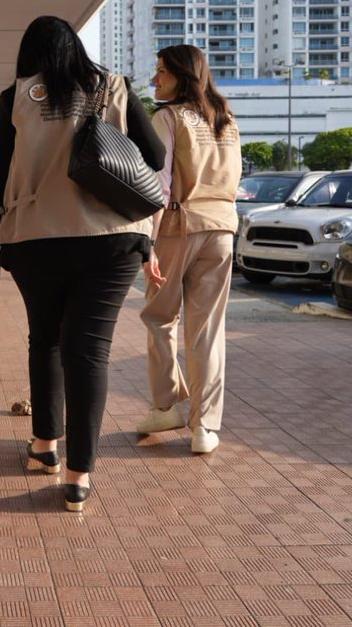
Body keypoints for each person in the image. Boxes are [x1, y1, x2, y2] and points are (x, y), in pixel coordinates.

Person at [0, 15, 165, 512]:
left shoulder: (15, 96)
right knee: (91, 353)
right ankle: (79, 477)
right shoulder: (114, 86)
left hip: (36, 237)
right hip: (113, 239)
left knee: (47, 339)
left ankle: (45, 448)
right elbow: (156, 156)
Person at [136, 44, 242, 455]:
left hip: (179, 226)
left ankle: (168, 404)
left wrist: (147, 244)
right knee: (207, 331)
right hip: (222, 229)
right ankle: (204, 427)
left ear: (183, 74)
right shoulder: (227, 120)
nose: (155, 79)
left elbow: (158, 186)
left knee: (159, 318)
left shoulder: (168, 118)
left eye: (162, 71)